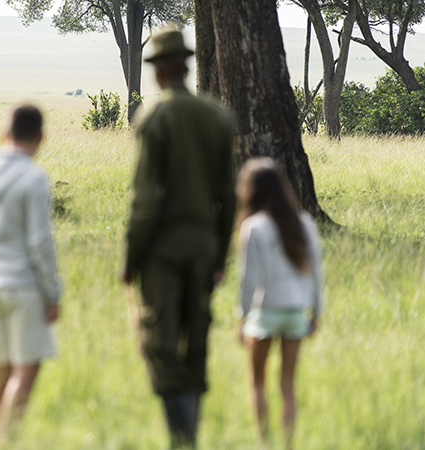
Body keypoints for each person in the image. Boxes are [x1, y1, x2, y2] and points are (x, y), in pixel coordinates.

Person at [120, 29, 237, 448]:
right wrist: (221, 255)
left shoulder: (155, 117)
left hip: (162, 253)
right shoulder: (217, 116)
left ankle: (181, 439)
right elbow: (228, 195)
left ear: (161, 69)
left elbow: (146, 199)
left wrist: (130, 259)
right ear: (184, 66)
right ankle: (193, 434)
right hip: (204, 248)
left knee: (161, 344)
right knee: (197, 339)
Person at [0, 104, 62, 441]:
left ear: (3, 134)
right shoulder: (34, 178)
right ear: (41, 138)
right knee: (24, 368)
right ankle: (7, 441)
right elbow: (39, 242)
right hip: (23, 286)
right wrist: (52, 293)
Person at [235, 158, 324, 450]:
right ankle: (288, 445)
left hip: (264, 312)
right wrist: (316, 313)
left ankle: (264, 442)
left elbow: (249, 280)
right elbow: (316, 273)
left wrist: (242, 318)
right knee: (287, 385)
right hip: (296, 311)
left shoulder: (253, 227)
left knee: (257, 382)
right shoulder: (304, 224)